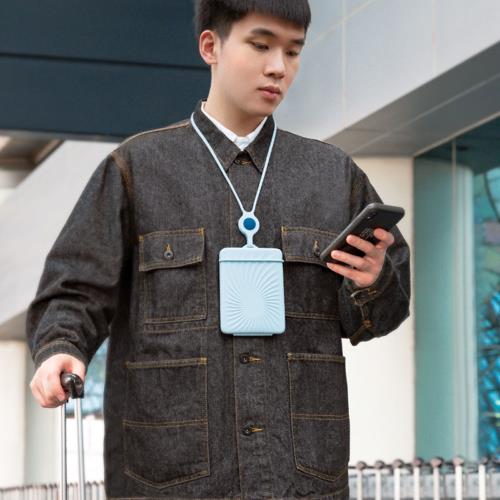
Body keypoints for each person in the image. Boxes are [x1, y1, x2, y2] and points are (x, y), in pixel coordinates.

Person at [27, 0, 410, 498]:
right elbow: (74, 288)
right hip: (169, 478)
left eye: (293, 51)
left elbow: (381, 315)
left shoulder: (334, 176)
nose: (279, 67)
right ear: (211, 46)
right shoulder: (136, 169)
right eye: (261, 45)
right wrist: (60, 347)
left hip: (299, 479)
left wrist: (374, 282)